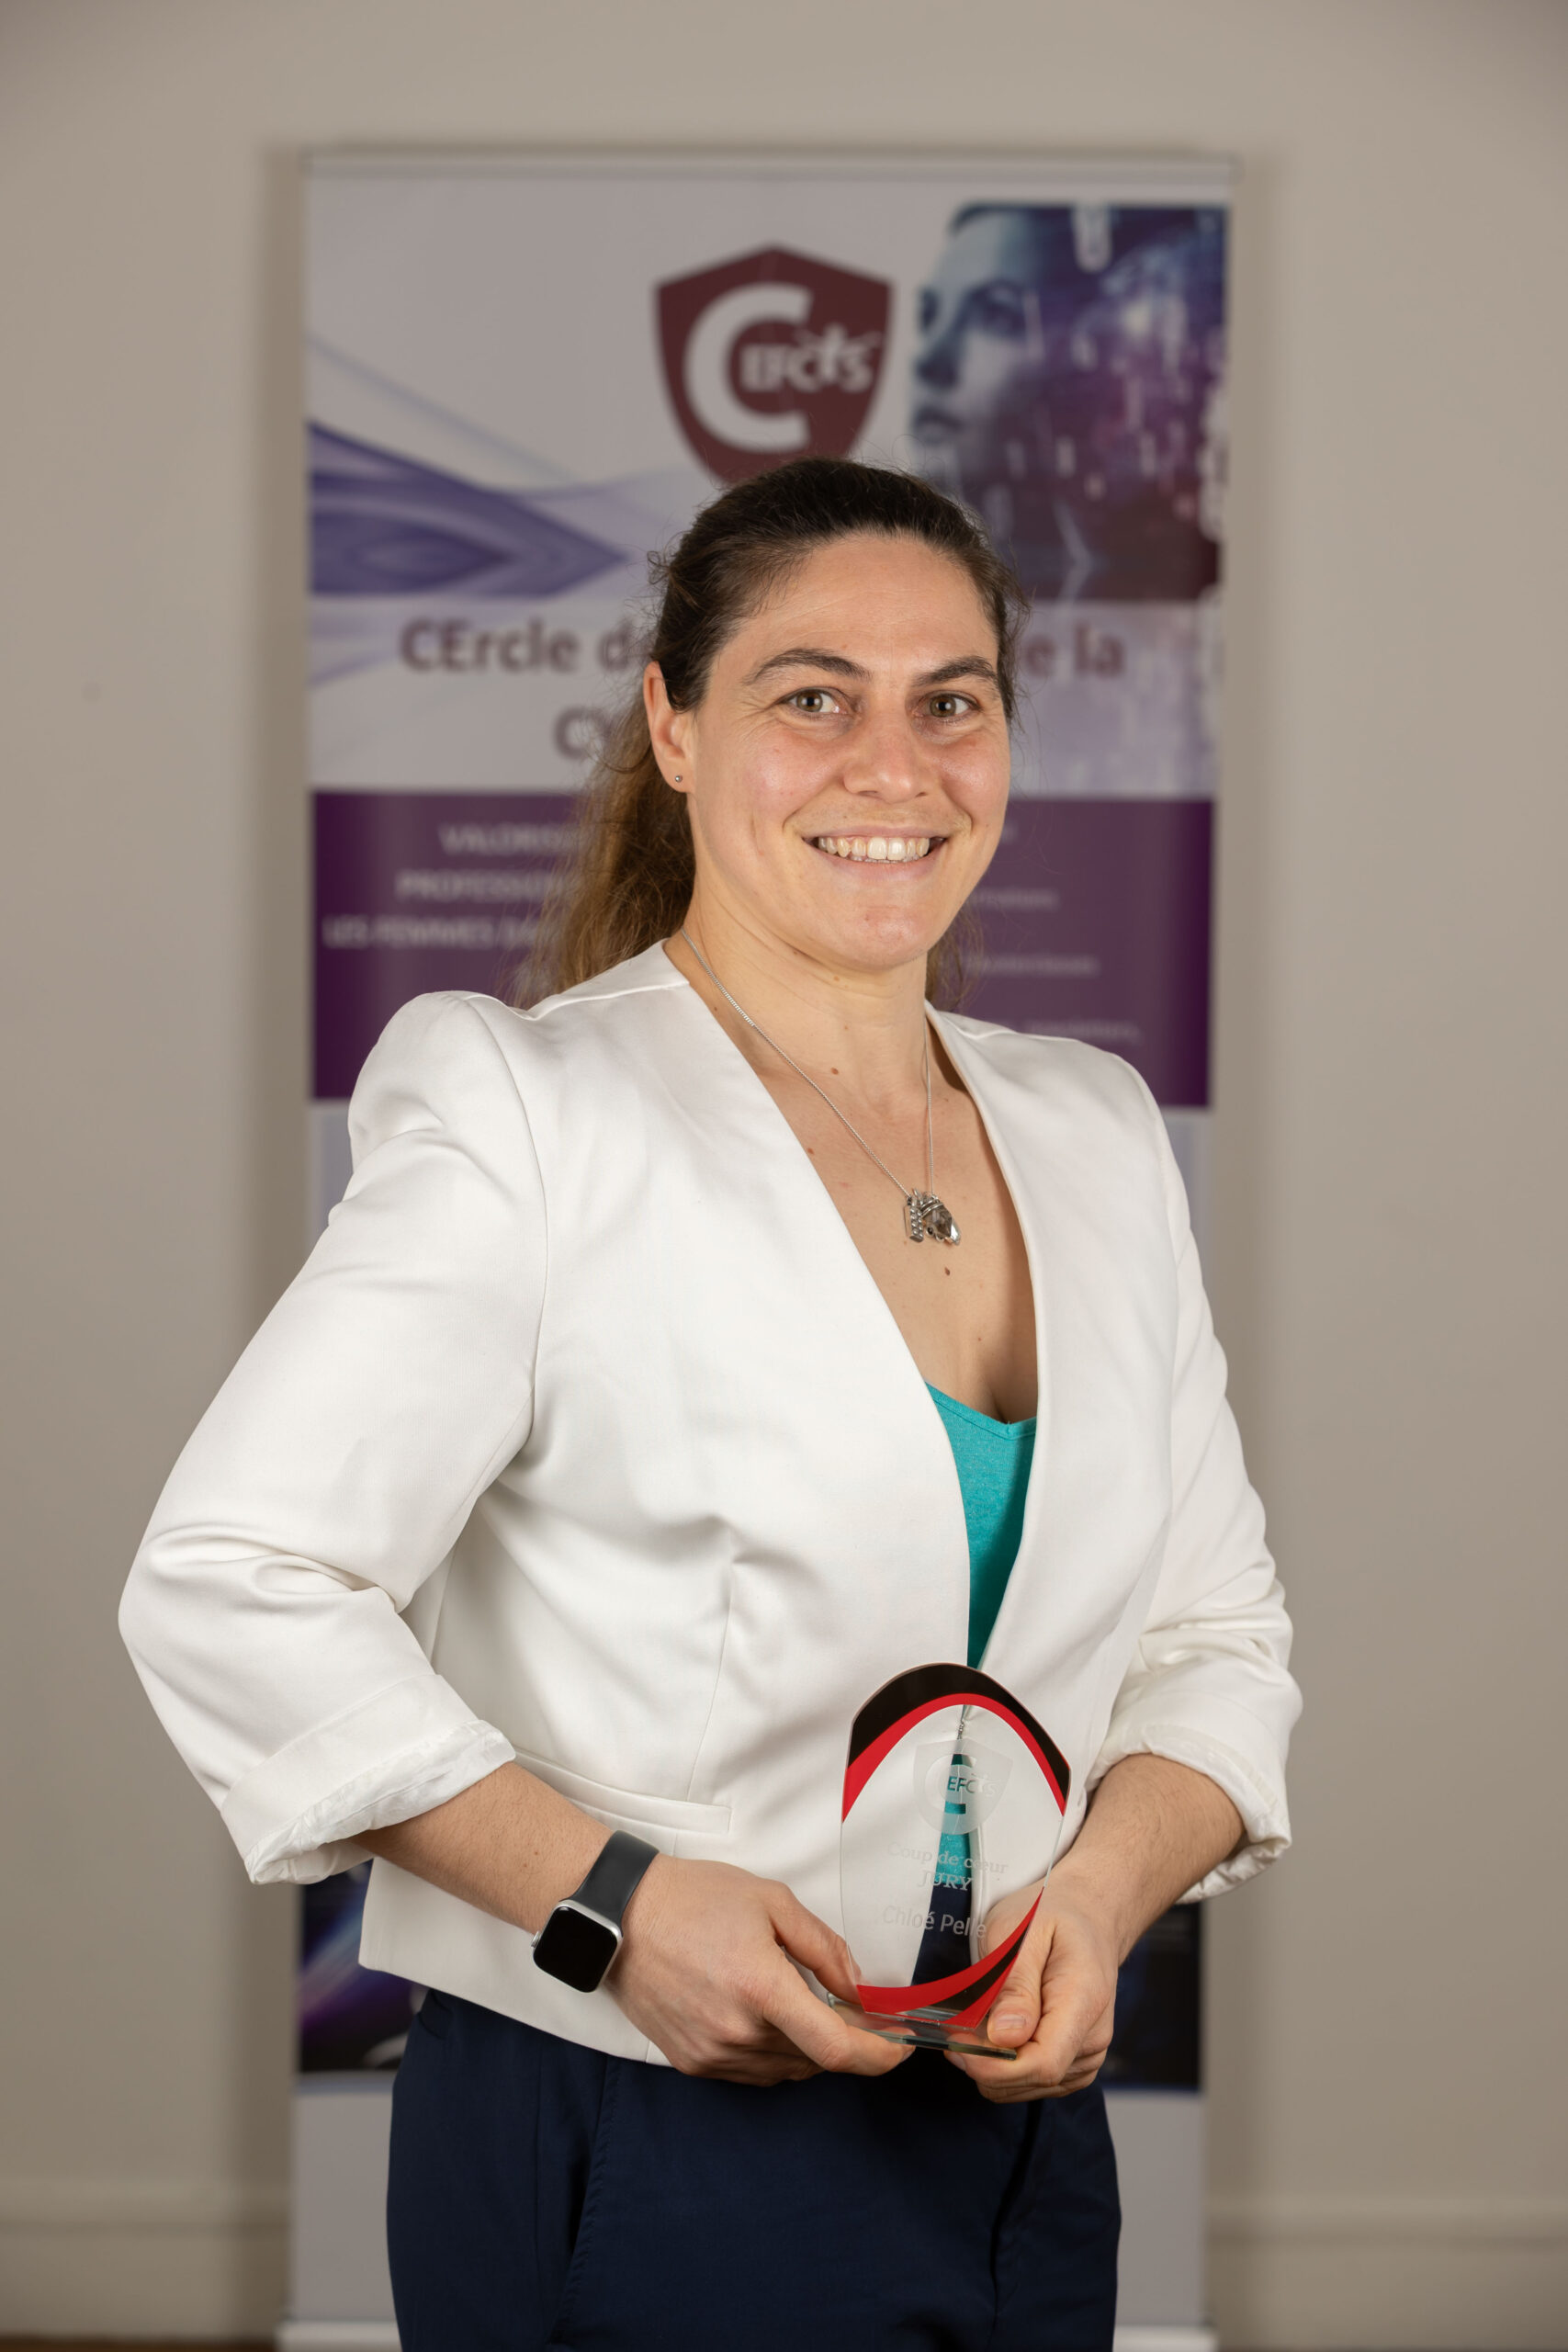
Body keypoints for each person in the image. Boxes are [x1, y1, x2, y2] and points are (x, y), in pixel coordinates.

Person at [121, 456, 1298, 2351]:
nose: (893, 767)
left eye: (950, 702)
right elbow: (231, 1579)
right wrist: (612, 1904)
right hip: (637, 2118)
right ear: (673, 726)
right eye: (811, 696)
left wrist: (1098, 1895)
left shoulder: (1090, 1130)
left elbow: (1214, 1641)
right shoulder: (531, 1110)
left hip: (1019, 2142)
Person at [910, 203, 1226, 600]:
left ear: (1095, 353)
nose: (929, 360)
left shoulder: (1162, 597)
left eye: (997, 316)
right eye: (928, 317)